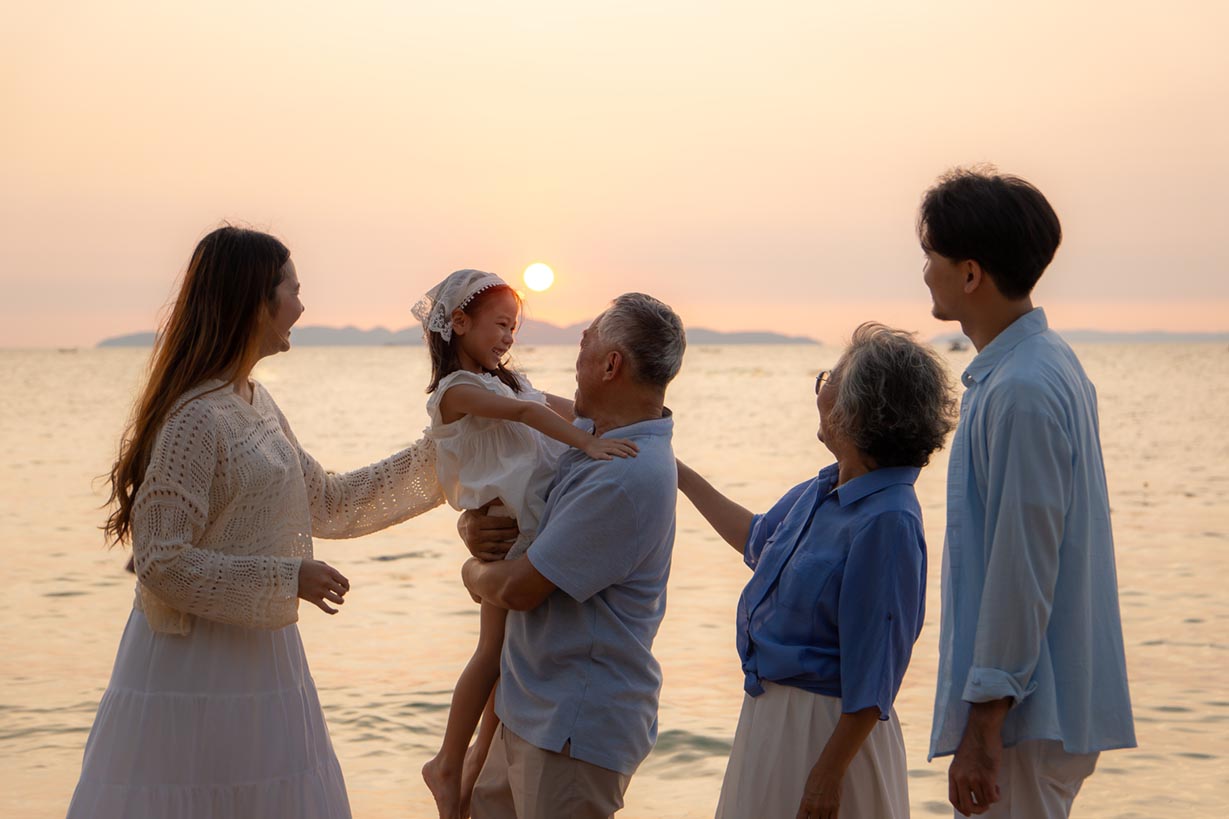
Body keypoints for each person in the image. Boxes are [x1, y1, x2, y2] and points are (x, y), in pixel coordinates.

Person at [66, 226, 445, 819]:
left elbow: (329, 501)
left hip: (264, 662)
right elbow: (160, 560)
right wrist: (287, 578)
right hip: (195, 671)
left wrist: (444, 454)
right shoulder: (195, 418)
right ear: (254, 301)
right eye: (293, 290)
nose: (302, 306)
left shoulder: (255, 401)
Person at [919, 167, 1137, 818]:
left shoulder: (1021, 389)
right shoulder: (1040, 365)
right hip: (1038, 707)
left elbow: (1023, 564)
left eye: (930, 255)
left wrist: (985, 724)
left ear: (969, 274)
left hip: (1026, 718)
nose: (923, 272)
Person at [677, 323, 956, 819]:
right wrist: (676, 472)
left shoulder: (887, 519)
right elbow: (759, 541)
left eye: (830, 378)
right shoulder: (825, 488)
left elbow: (877, 671)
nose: (821, 389)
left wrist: (829, 772)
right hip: (772, 724)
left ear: (858, 409)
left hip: (826, 736)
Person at [413, 269, 639, 819]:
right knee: (492, 653)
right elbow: (526, 413)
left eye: (514, 327)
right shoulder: (455, 391)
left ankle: (470, 764)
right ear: (458, 322)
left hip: (528, 524)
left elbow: (550, 404)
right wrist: (587, 442)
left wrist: (613, 423)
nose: (508, 337)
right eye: (500, 325)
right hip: (507, 528)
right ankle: (448, 763)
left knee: (507, 658)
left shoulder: (507, 382)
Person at [458, 293, 686, 819]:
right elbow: (518, 422)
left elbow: (518, 589)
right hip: (528, 709)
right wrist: (472, 524)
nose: (575, 357)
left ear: (611, 365)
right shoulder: (591, 436)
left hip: (573, 727)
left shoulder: (623, 475)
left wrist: (472, 572)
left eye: (585, 344)